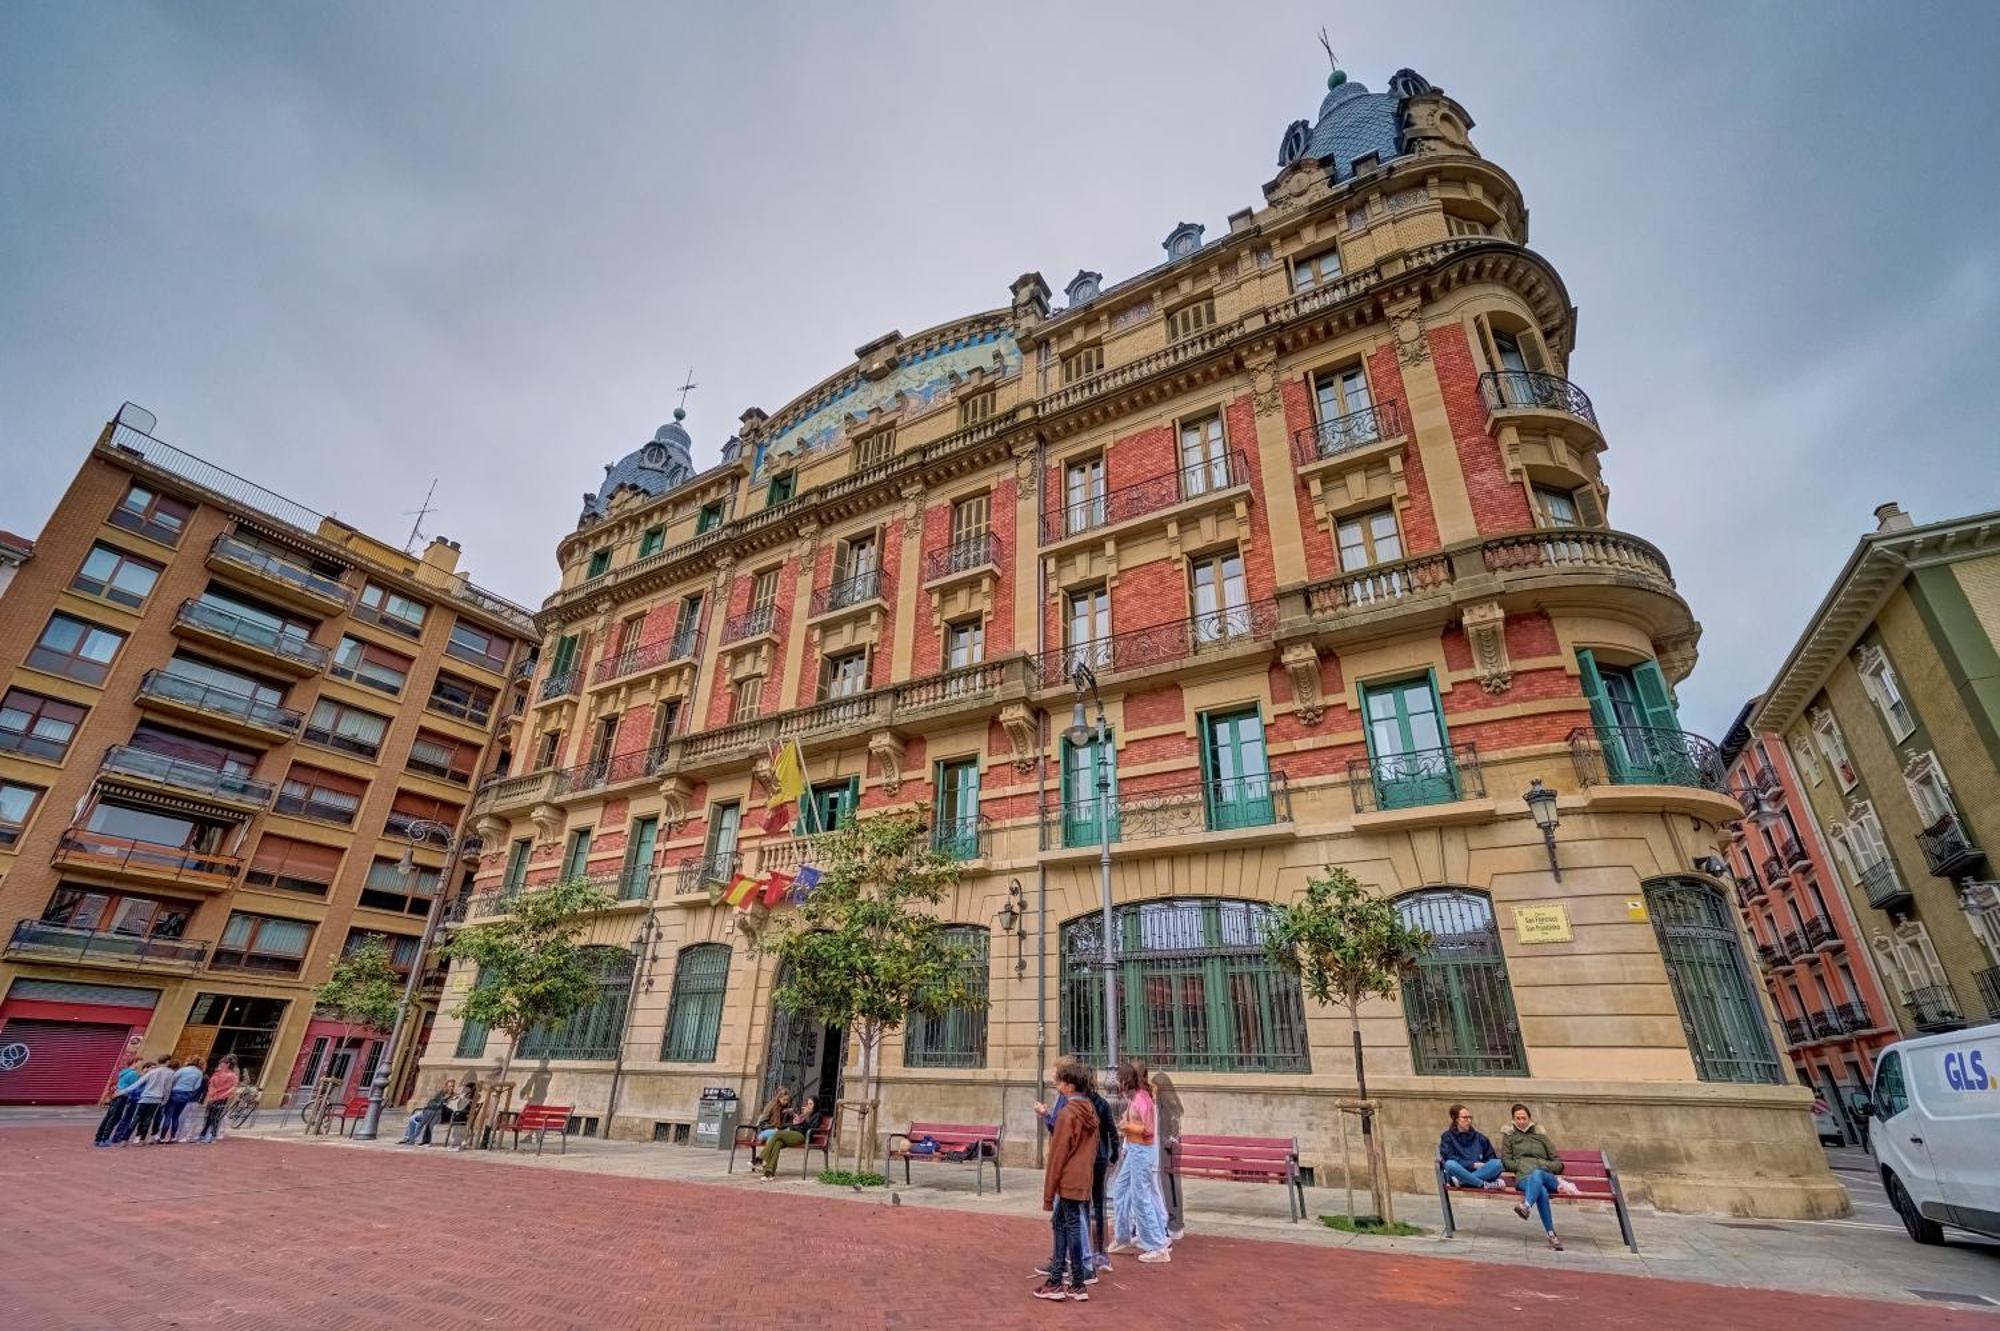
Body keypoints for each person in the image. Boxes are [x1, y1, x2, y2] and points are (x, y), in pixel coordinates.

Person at [1032, 1060, 1104, 1280]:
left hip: (1068, 1176)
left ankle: (1080, 1271)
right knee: (1062, 1221)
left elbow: (1060, 1150)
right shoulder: (1087, 1107)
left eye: (1059, 1078)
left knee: (1072, 1222)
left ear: (1070, 1083)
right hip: (1080, 1174)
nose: (1055, 1082)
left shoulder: (1070, 1110)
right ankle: (1062, 1266)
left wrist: (1045, 1115)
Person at [1106, 1060, 1171, 1262]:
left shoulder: (1142, 1099)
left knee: (1140, 1196)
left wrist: (1127, 1127)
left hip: (1142, 1151)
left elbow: (1148, 1130)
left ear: (1126, 1081)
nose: (1116, 1083)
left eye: (1119, 1080)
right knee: (1120, 1188)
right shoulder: (1135, 1098)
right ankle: (1122, 1235)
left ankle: (1157, 1245)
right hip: (1135, 1149)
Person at [1500, 1102, 1565, 1251]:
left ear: (1530, 1118)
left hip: (1547, 1177)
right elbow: (1506, 1162)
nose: (1521, 1121)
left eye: (1524, 1118)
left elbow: (1558, 1163)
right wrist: (1522, 1165)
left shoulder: (1540, 1135)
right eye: (1518, 1118)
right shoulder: (1509, 1137)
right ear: (1513, 1119)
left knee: (1538, 1174)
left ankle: (1526, 1206)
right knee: (1540, 1191)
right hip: (1524, 1178)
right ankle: (1551, 1235)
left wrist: (1543, 1166)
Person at [1438, 1104, 1506, 1190]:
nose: (1469, 1120)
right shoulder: (1447, 1137)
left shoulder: (1481, 1138)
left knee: (1497, 1164)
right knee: (1450, 1164)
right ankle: (1482, 1184)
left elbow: (1491, 1157)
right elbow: (1448, 1156)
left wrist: (1483, 1165)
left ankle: (1463, 1182)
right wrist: (1472, 1165)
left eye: (1470, 1117)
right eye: (1465, 1118)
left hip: (1481, 1173)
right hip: (1459, 1171)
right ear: (1456, 1119)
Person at [759, 1094, 822, 1179]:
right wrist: (796, 1122)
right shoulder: (805, 1114)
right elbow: (797, 1126)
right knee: (778, 1143)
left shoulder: (817, 1115)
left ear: (816, 1105)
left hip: (803, 1137)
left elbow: (811, 1130)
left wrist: (802, 1121)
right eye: (807, 1103)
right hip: (794, 1134)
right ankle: (769, 1172)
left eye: (811, 1104)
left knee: (777, 1133)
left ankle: (760, 1158)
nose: (808, 1106)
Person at [119, 1057, 177, 1144]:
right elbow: (167, 1089)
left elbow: (138, 1083)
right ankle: (142, 1139)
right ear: (167, 1062)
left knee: (136, 1118)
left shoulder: (152, 1072)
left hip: (145, 1097)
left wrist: (123, 1091)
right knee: (148, 1119)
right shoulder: (170, 1074)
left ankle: (125, 1139)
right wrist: (165, 1100)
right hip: (156, 1099)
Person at [94, 1058, 143, 1147]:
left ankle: (98, 1138)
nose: (140, 1064)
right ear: (134, 1062)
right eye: (139, 1062)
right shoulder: (133, 1073)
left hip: (116, 1096)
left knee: (108, 1117)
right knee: (115, 1118)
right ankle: (105, 1139)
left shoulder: (124, 1072)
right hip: (122, 1096)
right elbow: (134, 1086)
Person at [195, 1057, 239, 1143]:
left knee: (215, 1117)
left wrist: (223, 1095)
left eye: (222, 1063)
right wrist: (211, 1093)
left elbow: (233, 1087)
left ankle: (212, 1135)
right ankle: (203, 1134)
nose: (220, 1065)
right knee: (208, 1116)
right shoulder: (217, 1074)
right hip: (213, 1097)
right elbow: (211, 1084)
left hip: (222, 1098)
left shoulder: (232, 1076)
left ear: (227, 1064)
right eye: (220, 1063)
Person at [159, 1057, 203, 1142]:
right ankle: (172, 1137)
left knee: (168, 1115)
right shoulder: (199, 1073)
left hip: (175, 1092)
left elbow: (173, 1078)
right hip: (186, 1094)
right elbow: (197, 1086)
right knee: (176, 1116)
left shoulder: (183, 1070)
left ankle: (162, 1137)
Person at [402, 1079, 455, 1146]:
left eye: (452, 1086)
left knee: (419, 1121)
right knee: (412, 1119)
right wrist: (441, 1100)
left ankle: (413, 1138)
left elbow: (449, 1107)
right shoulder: (440, 1093)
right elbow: (431, 1102)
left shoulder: (453, 1096)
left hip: (436, 1113)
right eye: (449, 1086)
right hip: (429, 1110)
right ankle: (407, 1137)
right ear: (446, 1086)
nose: (451, 1088)